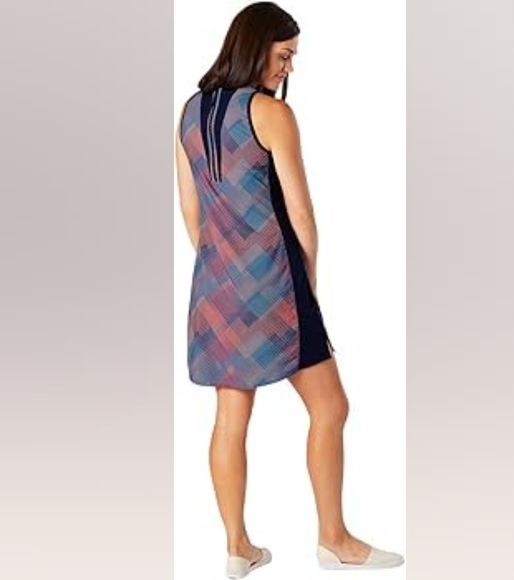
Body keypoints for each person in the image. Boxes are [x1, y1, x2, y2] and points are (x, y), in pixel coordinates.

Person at [175, 2, 404, 577]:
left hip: (215, 290)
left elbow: (191, 213)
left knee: (230, 418)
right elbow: (301, 213)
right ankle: (334, 540)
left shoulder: (189, 113)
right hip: (276, 282)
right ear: (256, 47)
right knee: (331, 406)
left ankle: (237, 547)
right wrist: (308, 280)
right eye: (284, 55)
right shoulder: (270, 112)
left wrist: (224, 269)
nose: (289, 68)